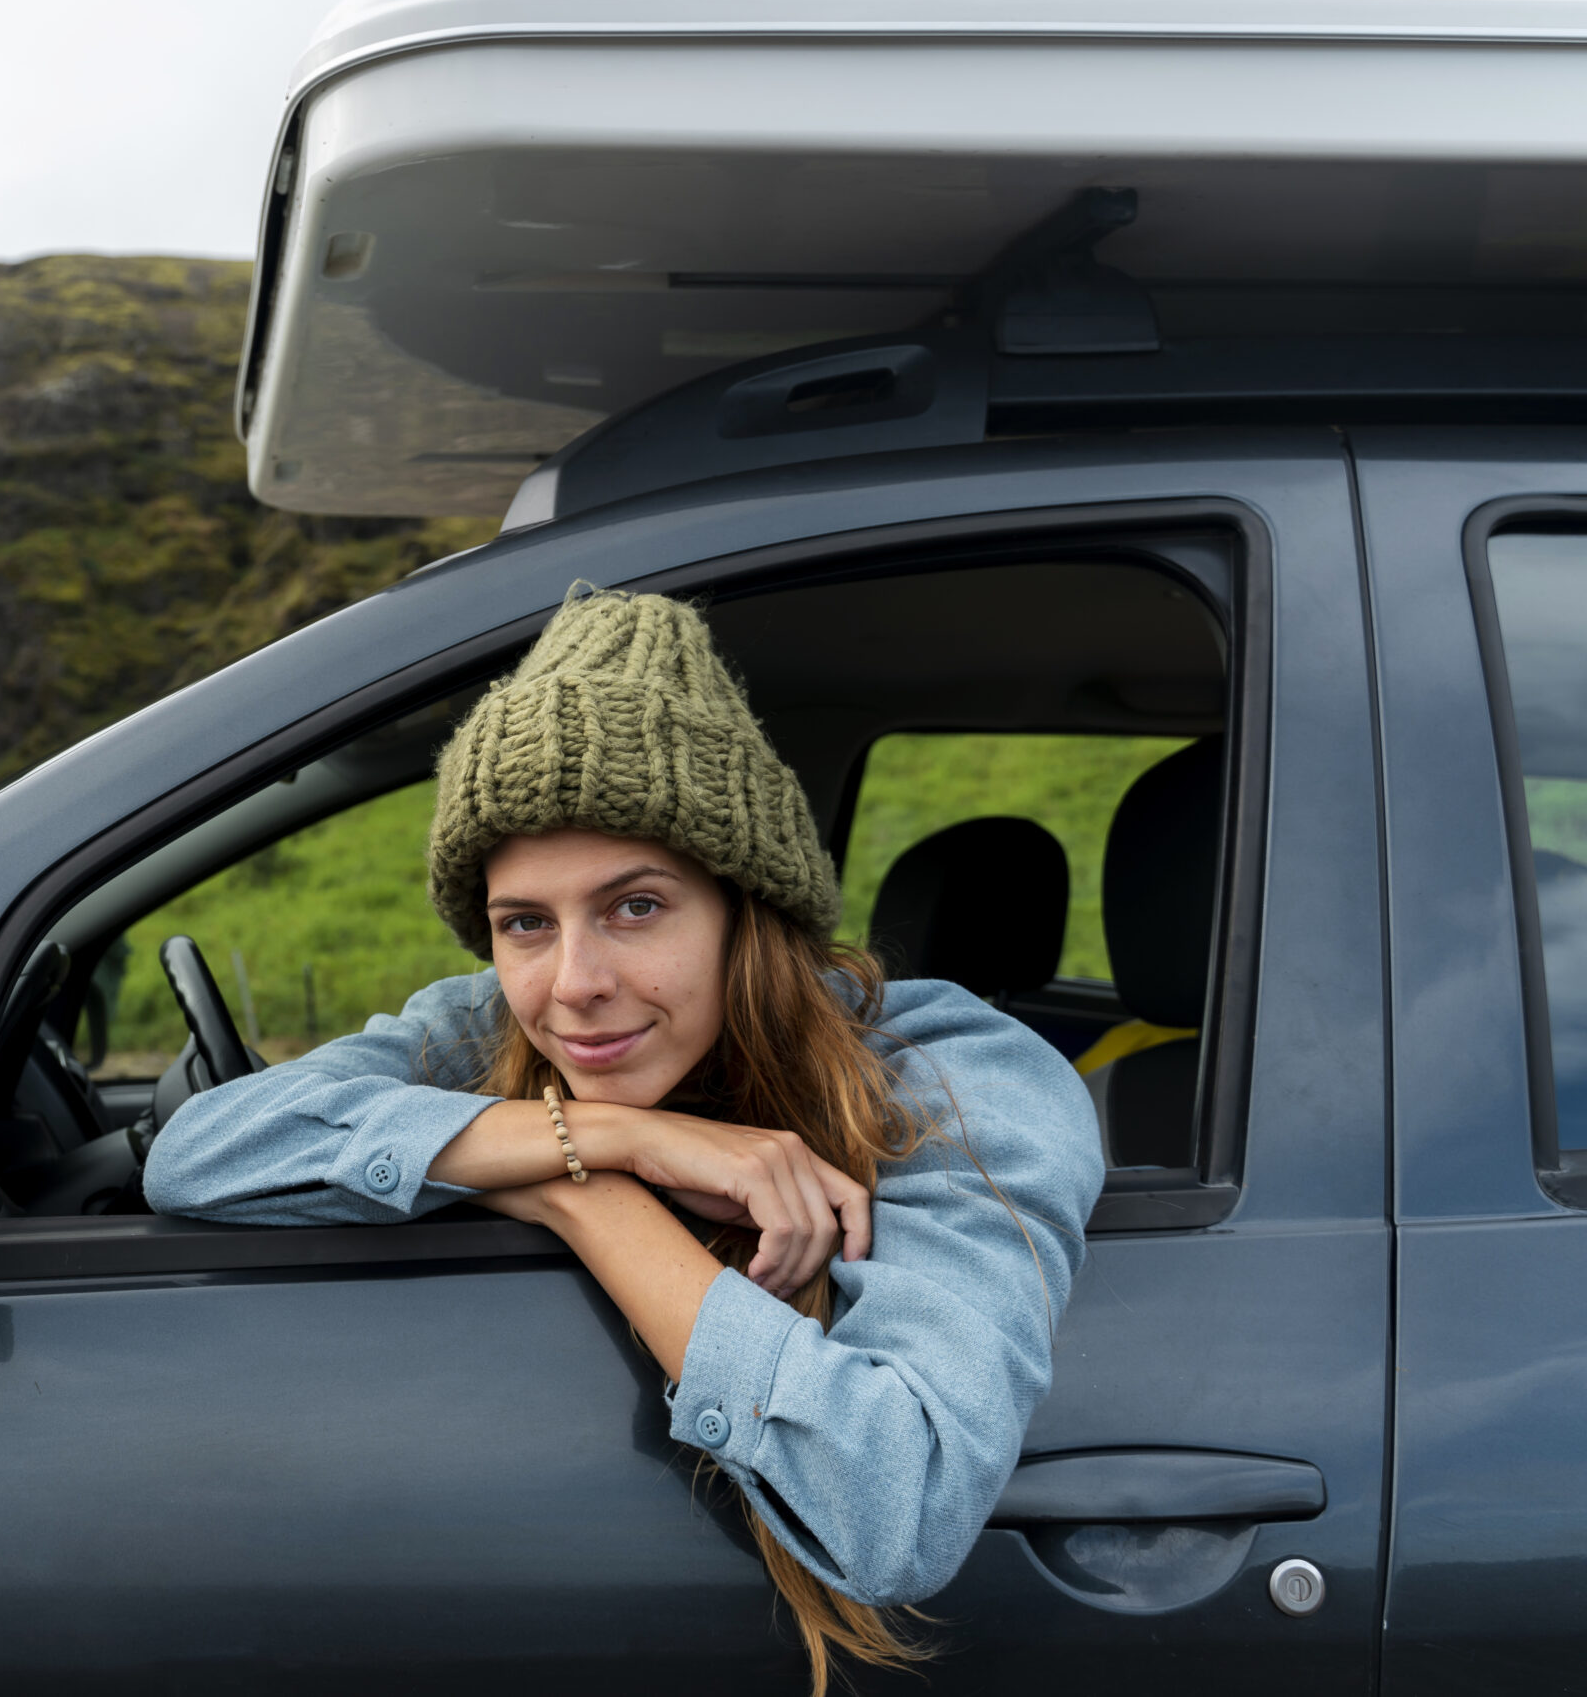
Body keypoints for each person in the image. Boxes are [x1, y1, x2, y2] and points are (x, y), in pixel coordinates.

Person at [143, 588, 1106, 1693]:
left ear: (746, 908)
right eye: (525, 923)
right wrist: (606, 1149)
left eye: (635, 906)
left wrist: (573, 1190)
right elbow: (198, 1151)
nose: (574, 985)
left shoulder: (953, 1077)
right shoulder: (484, 1025)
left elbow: (898, 1508)